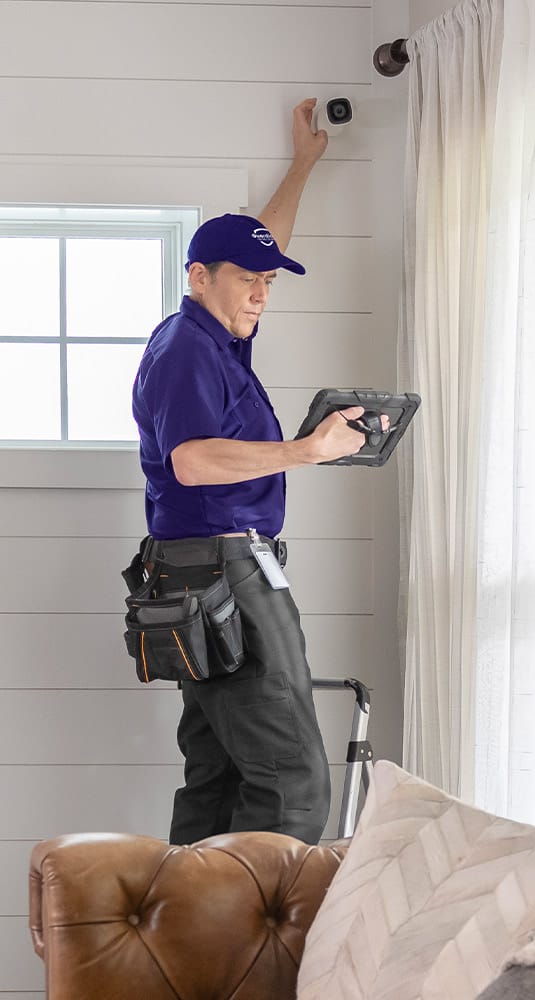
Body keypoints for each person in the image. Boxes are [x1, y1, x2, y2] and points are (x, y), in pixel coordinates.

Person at [131, 98, 379, 845]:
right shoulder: (186, 350)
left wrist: (304, 163)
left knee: (219, 774)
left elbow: (259, 242)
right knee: (292, 779)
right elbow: (191, 461)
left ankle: (185, 916)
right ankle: (268, 922)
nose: (262, 295)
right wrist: (306, 451)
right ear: (199, 276)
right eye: (250, 281)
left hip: (200, 571)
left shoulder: (216, 331)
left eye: (269, 280)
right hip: (221, 570)